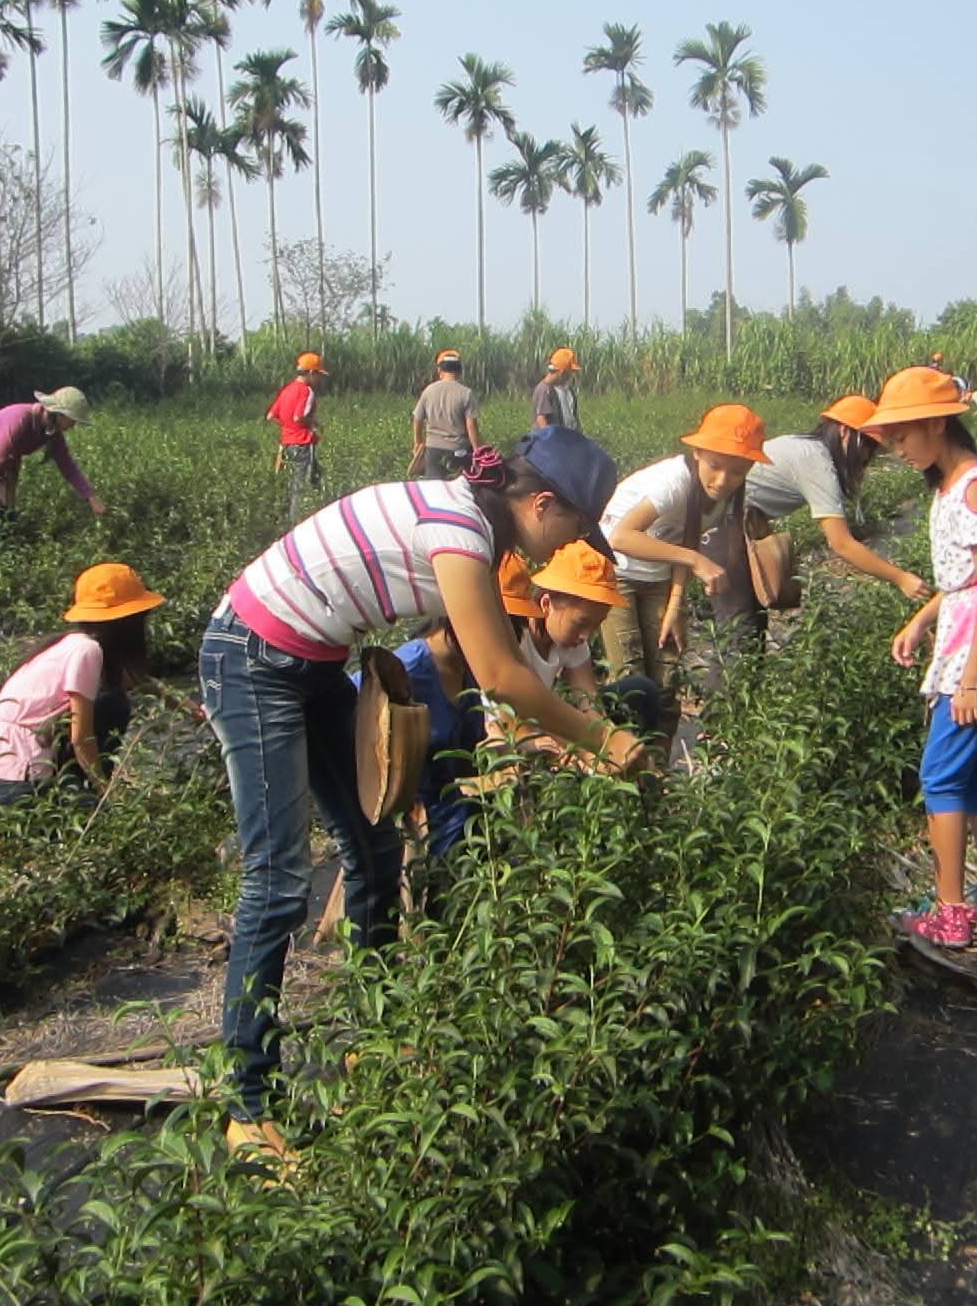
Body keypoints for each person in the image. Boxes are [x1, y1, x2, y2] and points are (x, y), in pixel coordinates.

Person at [199, 426, 646, 1164]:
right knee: (278, 883)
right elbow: (500, 673)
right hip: (252, 660)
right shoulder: (462, 530)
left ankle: (373, 1038)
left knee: (376, 845)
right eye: (576, 526)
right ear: (542, 503)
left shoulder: (470, 525)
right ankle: (247, 1105)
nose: (573, 544)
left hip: (309, 661)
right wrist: (604, 741)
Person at [864, 367, 977, 949]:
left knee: (939, 778)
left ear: (938, 424)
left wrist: (969, 681)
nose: (896, 448)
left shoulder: (974, 488)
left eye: (902, 435)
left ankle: (952, 912)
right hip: (970, 645)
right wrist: (920, 620)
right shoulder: (951, 485)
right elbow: (964, 581)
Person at [0, 562, 165, 812]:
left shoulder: (67, 644)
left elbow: (138, 680)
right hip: (18, 777)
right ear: (129, 622)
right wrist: (107, 794)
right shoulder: (88, 651)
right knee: (113, 704)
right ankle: (0, 814)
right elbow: (81, 738)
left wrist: (191, 708)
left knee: (110, 697)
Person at [596, 403, 771, 691]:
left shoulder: (727, 497)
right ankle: (622, 734)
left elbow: (685, 539)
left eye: (737, 472)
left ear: (750, 467)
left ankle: (659, 735)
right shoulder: (674, 482)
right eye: (714, 466)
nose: (722, 481)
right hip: (616, 571)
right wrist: (694, 559)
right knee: (630, 677)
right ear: (698, 453)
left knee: (666, 675)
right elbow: (621, 538)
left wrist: (675, 605)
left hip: (658, 576)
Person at [743, 395, 928, 631]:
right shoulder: (816, 461)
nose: (866, 457)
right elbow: (841, 544)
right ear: (844, 432)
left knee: (752, 616)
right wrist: (901, 578)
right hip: (723, 524)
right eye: (867, 446)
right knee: (744, 622)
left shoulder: (804, 446)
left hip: (734, 521)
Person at [353, 620, 487, 858]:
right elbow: (343, 711)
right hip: (415, 843)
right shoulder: (408, 667)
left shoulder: (471, 668)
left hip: (460, 832)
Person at [498, 545, 663, 736]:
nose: (586, 635)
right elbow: (514, 716)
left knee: (642, 689)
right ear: (546, 603)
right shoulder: (516, 637)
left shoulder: (573, 642)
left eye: (595, 626)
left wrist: (610, 740)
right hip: (514, 725)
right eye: (580, 623)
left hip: (545, 721)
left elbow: (589, 704)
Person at [0, 387, 107, 558]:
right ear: (60, 414)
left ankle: (4, 571)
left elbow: (67, 466)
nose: (74, 425)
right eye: (73, 420)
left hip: (4, 466)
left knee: (7, 519)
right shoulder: (20, 419)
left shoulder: (52, 432)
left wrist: (91, 497)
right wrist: (1, 491)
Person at [267, 353, 327, 521]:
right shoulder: (306, 391)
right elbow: (298, 417)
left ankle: (283, 519)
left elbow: (271, 416)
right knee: (301, 487)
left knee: (295, 483)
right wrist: (315, 423)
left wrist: (288, 429)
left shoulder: (287, 390)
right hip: (303, 444)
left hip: (286, 445)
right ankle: (297, 524)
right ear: (310, 373)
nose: (319, 380)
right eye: (318, 375)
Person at [410, 349, 482, 479]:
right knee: (459, 491)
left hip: (433, 450)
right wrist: (478, 451)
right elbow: (471, 427)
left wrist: (418, 442)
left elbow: (417, 419)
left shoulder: (428, 390)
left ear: (440, 371)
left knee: (433, 490)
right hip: (458, 450)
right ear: (459, 372)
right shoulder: (466, 393)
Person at [531, 347, 582, 431]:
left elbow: (574, 418)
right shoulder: (544, 390)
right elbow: (541, 419)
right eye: (570, 372)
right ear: (562, 372)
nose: (571, 376)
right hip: (549, 442)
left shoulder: (568, 390)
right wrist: (551, 441)